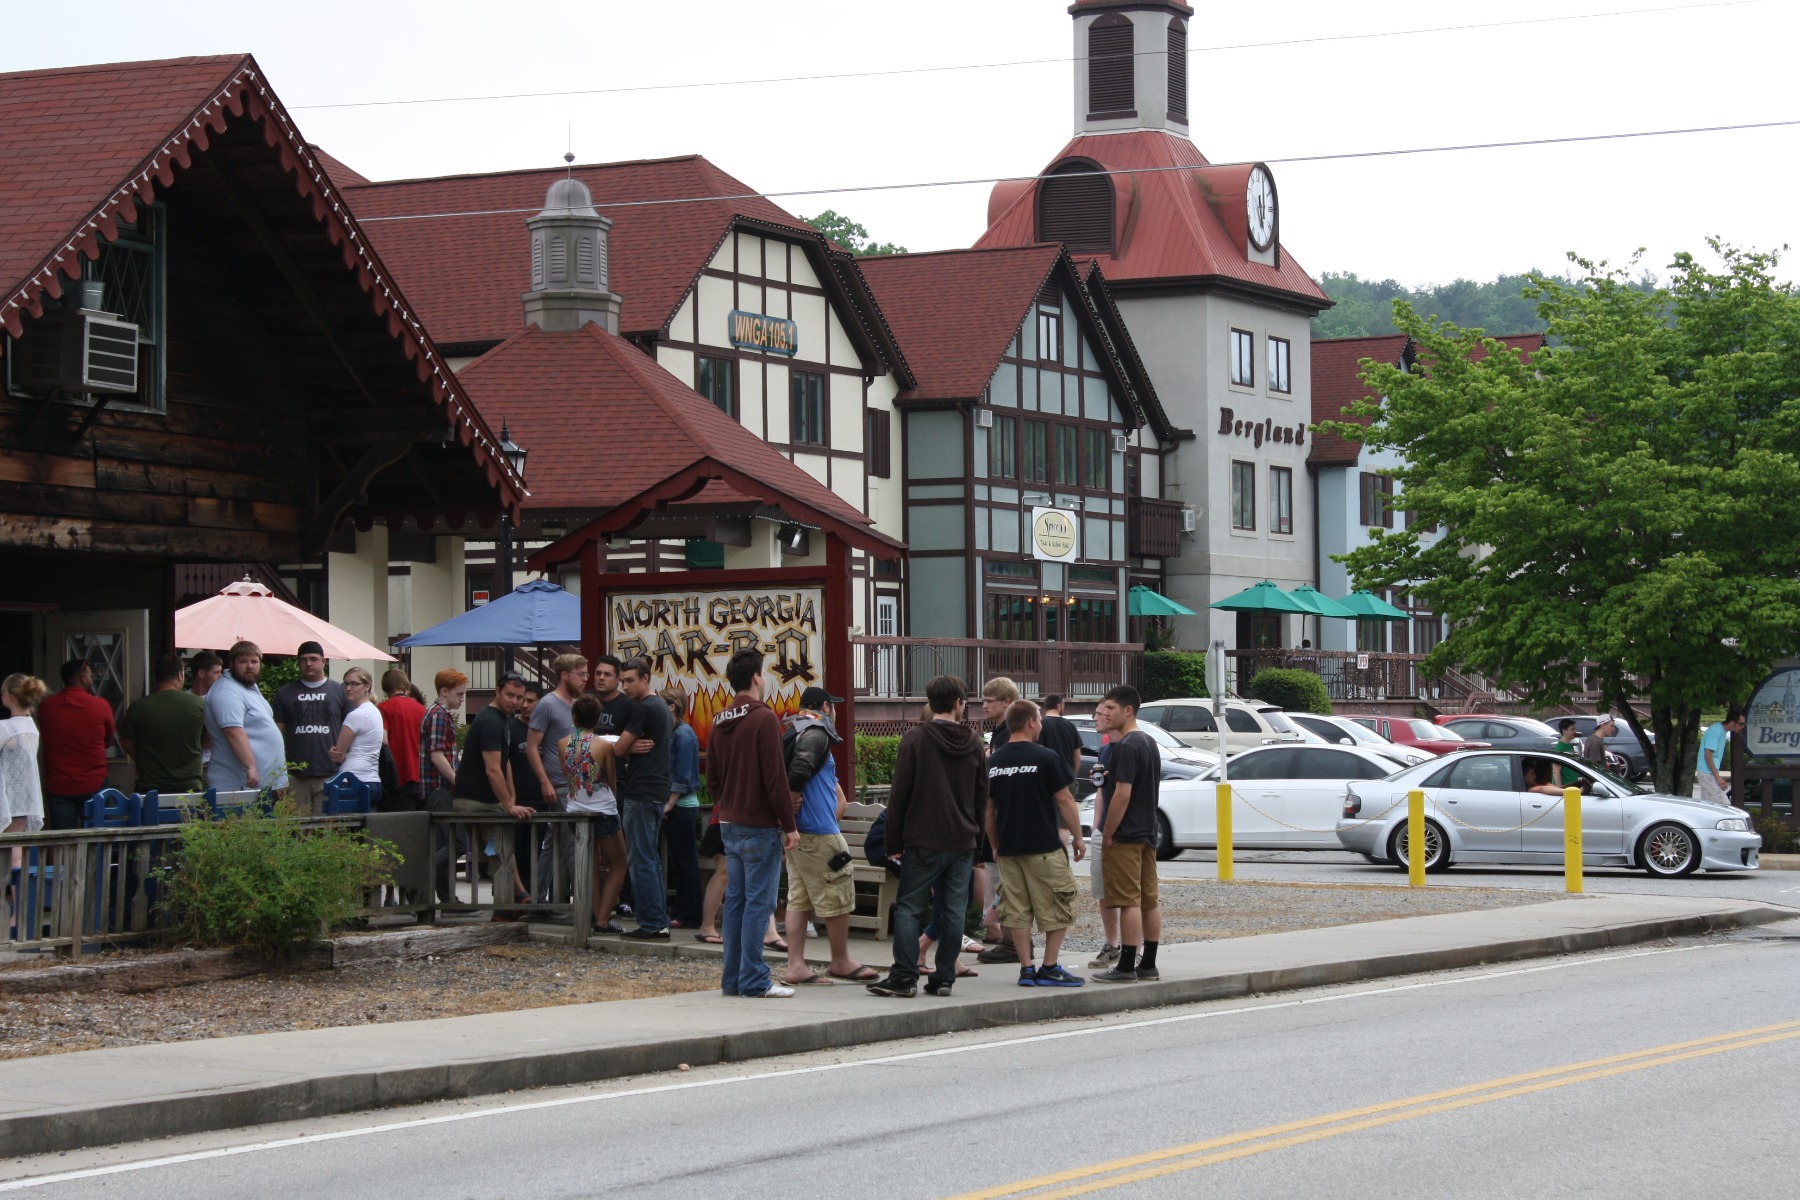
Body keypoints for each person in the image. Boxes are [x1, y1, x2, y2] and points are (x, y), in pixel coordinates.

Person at [867, 674, 986, 999]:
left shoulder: (916, 739)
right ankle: (944, 976)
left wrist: (893, 842)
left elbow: (899, 795)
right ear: (960, 703)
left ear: (930, 703)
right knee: (951, 909)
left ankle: (904, 977)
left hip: (922, 839)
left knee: (909, 907)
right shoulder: (974, 742)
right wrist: (980, 846)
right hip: (962, 840)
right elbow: (981, 797)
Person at [707, 649, 799, 999]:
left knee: (736, 901)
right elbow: (775, 778)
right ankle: (754, 979)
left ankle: (732, 979)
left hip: (728, 819)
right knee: (759, 904)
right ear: (758, 677)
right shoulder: (764, 719)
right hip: (760, 822)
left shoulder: (718, 720)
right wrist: (789, 824)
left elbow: (712, 777)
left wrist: (725, 802)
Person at [780, 686, 878, 985]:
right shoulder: (816, 730)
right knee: (838, 892)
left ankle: (795, 965)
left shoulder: (791, 731)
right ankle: (841, 961)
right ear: (826, 706)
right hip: (819, 832)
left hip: (798, 835)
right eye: (833, 706)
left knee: (799, 899)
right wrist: (793, 798)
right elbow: (800, 769)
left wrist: (789, 818)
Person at [986, 699, 1086, 987]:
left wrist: (995, 844)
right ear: (1030, 722)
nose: (1041, 724)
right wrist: (1077, 836)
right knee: (1059, 905)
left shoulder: (995, 761)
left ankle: (1026, 968)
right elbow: (1064, 799)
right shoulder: (1046, 757)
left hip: (1009, 849)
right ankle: (1050, 966)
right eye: (1039, 720)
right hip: (1043, 846)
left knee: (1016, 910)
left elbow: (988, 810)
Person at [1091, 684, 1162, 984]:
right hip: (1147, 831)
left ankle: (1126, 966)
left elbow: (1121, 795)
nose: (1105, 713)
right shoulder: (1149, 742)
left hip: (1126, 834)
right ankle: (1149, 964)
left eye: (1111, 708)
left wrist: (1108, 833)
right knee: (1149, 900)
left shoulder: (1126, 747)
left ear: (1128, 710)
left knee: (1128, 900)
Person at [450, 673, 534, 918]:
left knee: (500, 848)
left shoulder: (501, 720)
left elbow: (504, 764)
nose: (515, 702)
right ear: (497, 691)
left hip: (484, 799)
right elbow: (493, 768)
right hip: (475, 800)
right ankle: (512, 901)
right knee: (500, 847)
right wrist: (509, 805)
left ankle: (513, 899)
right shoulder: (491, 721)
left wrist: (511, 799)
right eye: (510, 695)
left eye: (519, 697)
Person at [613, 658, 672, 939]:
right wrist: (628, 747)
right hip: (656, 790)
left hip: (641, 790)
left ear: (646, 678)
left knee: (641, 859)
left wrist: (625, 747)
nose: (625, 686)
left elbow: (618, 749)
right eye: (622, 681)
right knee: (650, 858)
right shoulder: (660, 707)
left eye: (630, 681)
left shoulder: (645, 708)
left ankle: (651, 921)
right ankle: (657, 919)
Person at [560, 694, 628, 932]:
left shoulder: (562, 744)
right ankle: (602, 919)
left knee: (589, 865)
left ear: (574, 717)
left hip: (575, 807)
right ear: (597, 718)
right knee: (619, 864)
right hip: (603, 809)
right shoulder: (604, 746)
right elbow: (611, 780)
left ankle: (593, 914)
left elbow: (568, 777)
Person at [36, 658, 121, 830]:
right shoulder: (100, 706)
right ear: (83, 678)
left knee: (62, 840)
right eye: (90, 675)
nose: (91, 679)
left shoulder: (46, 707)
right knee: (97, 839)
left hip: (59, 784)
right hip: (94, 782)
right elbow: (108, 740)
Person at [975, 675, 1024, 962]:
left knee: (1005, 882)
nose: (984, 706)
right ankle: (1004, 936)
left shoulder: (1008, 733)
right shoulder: (998, 732)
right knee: (999, 880)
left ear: (1007, 702)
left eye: (989, 701)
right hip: (998, 817)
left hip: (1004, 818)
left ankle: (1011, 942)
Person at [271, 641, 346, 814]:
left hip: (330, 772)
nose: (308, 663)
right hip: (296, 775)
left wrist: (345, 754)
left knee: (325, 831)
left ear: (324, 661)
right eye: (303, 660)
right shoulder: (285, 693)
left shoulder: (339, 691)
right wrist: (278, 774)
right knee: (298, 832)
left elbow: (352, 728)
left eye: (313, 659)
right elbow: (276, 735)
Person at [203, 641, 287, 795]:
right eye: (243, 661)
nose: (250, 666)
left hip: (260, 785)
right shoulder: (226, 691)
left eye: (254, 661)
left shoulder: (248, 686)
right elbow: (232, 730)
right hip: (238, 785)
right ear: (231, 664)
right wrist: (251, 767)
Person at [119, 652, 206, 797]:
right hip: (189, 785)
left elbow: (126, 742)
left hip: (150, 786)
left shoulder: (138, 707)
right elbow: (208, 737)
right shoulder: (198, 704)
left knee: (151, 820)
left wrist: (144, 758)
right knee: (190, 820)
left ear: (157, 676)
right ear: (180, 675)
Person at [662, 690, 704, 930]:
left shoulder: (684, 734)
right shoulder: (675, 732)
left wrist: (670, 801)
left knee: (686, 861)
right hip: (676, 803)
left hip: (681, 804)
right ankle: (683, 910)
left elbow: (682, 773)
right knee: (680, 861)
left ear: (672, 706)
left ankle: (690, 913)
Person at [326, 666, 385, 806]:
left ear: (367, 686)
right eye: (345, 684)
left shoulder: (355, 715)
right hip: (373, 780)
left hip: (352, 781)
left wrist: (332, 753)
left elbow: (338, 754)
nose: (348, 688)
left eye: (354, 684)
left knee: (344, 827)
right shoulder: (375, 711)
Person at [0, 674, 48, 838]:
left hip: (5, 797)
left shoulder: (6, 727)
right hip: (22, 797)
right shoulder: (31, 727)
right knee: (15, 848)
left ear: (12, 697)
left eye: (3, 692)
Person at [376, 669, 427, 810]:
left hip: (397, 776)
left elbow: (383, 739)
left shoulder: (383, 708)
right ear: (405, 684)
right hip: (421, 774)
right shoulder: (422, 709)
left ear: (385, 686)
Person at [420, 669, 468, 798]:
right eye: (459, 694)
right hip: (439, 789)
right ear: (444, 691)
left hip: (439, 789)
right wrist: (458, 783)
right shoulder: (439, 714)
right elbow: (437, 756)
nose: (462, 699)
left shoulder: (438, 713)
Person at [1694, 706, 1745, 806]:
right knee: (1722, 807)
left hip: (1708, 773)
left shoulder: (1720, 730)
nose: (1743, 727)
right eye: (1741, 724)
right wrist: (1717, 778)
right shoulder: (1716, 731)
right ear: (1732, 722)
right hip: (1707, 774)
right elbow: (1707, 754)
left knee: (1708, 807)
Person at [1038, 694, 1083, 778]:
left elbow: (1038, 752)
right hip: (1068, 777)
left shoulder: (1040, 725)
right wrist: (1073, 775)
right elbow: (1077, 755)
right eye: (1063, 705)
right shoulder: (1071, 725)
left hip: (1049, 778)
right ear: (1059, 706)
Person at [1550, 719, 1582, 788]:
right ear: (1564, 731)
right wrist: (1560, 788)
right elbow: (1556, 771)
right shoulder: (1560, 748)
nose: (1575, 731)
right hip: (1565, 787)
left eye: (1575, 729)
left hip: (1571, 786)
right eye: (1572, 729)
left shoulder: (1569, 745)